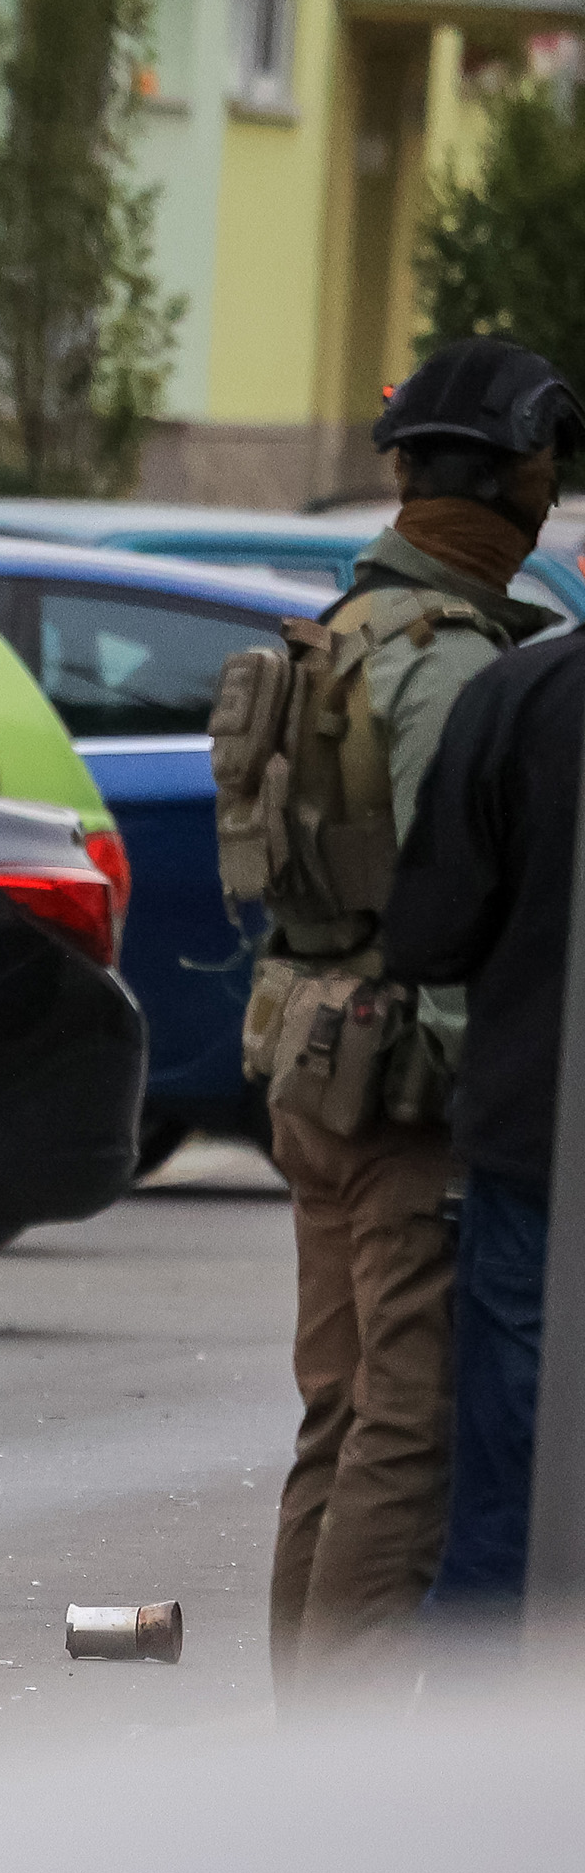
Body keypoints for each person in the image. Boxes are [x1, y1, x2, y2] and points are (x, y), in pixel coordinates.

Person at [252, 336, 571, 1687]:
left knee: (339, 1418)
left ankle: (303, 1748)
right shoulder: (448, 661)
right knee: (409, 1431)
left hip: (314, 1065)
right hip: (408, 1091)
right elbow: (460, 900)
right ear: (511, 479)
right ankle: (355, 1768)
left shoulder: (349, 626)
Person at [383, 402, 585, 1620]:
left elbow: (425, 934)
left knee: (505, 1495)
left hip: (532, 1143)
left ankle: (466, 1792)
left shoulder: (516, 694)